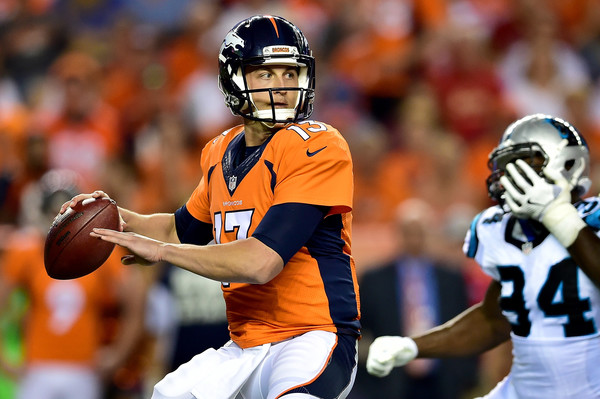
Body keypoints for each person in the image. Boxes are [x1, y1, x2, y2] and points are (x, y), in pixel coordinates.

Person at [61, 15, 360, 399]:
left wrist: (164, 253)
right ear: (233, 79)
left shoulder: (316, 145)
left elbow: (261, 262)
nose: (282, 86)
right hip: (245, 343)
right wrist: (116, 218)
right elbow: (178, 229)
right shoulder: (221, 152)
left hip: (311, 336)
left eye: (290, 73)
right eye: (266, 74)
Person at [366, 113, 600, 398]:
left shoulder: (593, 221)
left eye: (526, 165)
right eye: (508, 168)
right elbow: (494, 320)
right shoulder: (507, 232)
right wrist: (413, 347)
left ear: (567, 165)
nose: (513, 177)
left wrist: (558, 215)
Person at [0, 169, 146, 399]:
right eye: (53, 212)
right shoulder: (26, 250)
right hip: (38, 367)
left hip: (84, 368)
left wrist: (118, 354)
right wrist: (2, 358)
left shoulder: (98, 251)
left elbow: (136, 301)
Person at [355, 198, 477, 399]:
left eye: (419, 231)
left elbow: (466, 324)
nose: (414, 239)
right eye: (408, 232)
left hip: (442, 381)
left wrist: (464, 374)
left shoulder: (451, 277)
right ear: (398, 233)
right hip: (391, 383)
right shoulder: (374, 279)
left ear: (429, 233)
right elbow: (362, 330)